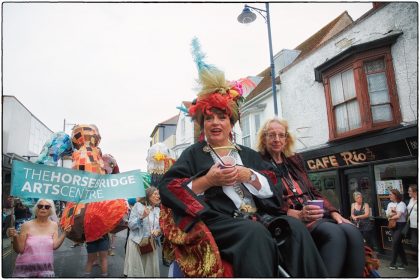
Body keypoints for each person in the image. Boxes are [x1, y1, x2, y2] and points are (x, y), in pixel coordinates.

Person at [158, 38, 328, 278]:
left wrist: (250, 175)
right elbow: (168, 187)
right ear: (203, 124)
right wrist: (208, 180)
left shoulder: (248, 155)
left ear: (231, 123)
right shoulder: (193, 154)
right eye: (209, 118)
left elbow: (274, 186)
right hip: (219, 222)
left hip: (260, 216)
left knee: (295, 228)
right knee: (254, 233)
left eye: (221, 117)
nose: (215, 123)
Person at [256, 117, 365, 277]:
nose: (277, 139)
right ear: (264, 138)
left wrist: (335, 213)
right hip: (289, 220)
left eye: (281, 135)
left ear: (286, 139)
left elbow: (313, 191)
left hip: (315, 214)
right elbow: (264, 202)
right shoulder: (258, 163)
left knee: (352, 231)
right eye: (271, 135)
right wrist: (298, 214)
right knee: (334, 234)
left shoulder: (294, 161)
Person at [7, 198, 71, 277]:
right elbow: (19, 250)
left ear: (51, 210)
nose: (43, 208)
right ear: (36, 209)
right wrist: (15, 237)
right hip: (25, 270)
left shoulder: (54, 225)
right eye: (40, 206)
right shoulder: (26, 225)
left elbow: (54, 246)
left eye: (47, 207)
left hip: (45, 270)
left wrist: (65, 233)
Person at [123, 187, 161, 277]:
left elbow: (159, 227)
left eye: (158, 194)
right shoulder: (138, 206)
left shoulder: (157, 210)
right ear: (148, 195)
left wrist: (158, 231)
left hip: (151, 244)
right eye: (155, 194)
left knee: (149, 273)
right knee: (137, 273)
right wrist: (142, 217)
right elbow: (131, 225)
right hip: (137, 243)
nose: (158, 196)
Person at [386, 189, 408, 269]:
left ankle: (392, 264)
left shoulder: (401, 204)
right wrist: (391, 214)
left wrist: (390, 215)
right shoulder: (389, 204)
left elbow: (398, 216)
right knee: (398, 245)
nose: (389, 196)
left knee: (395, 243)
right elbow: (387, 214)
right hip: (392, 225)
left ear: (396, 195)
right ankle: (404, 262)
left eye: (391, 194)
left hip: (400, 225)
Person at [407, 185, 418, 252]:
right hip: (412, 226)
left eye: (410, 191)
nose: (408, 192)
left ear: (415, 192)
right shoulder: (411, 200)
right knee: (414, 245)